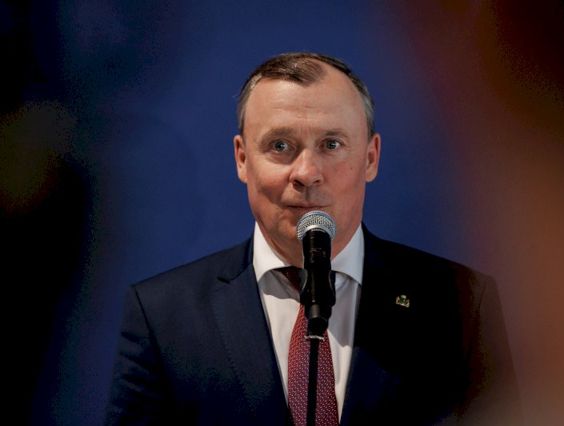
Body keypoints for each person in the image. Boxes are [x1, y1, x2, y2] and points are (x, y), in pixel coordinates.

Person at [105, 52, 520, 425]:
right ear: (242, 159)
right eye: (280, 145)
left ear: (371, 157)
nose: (306, 173)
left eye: (331, 144)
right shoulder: (163, 316)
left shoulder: (460, 304)